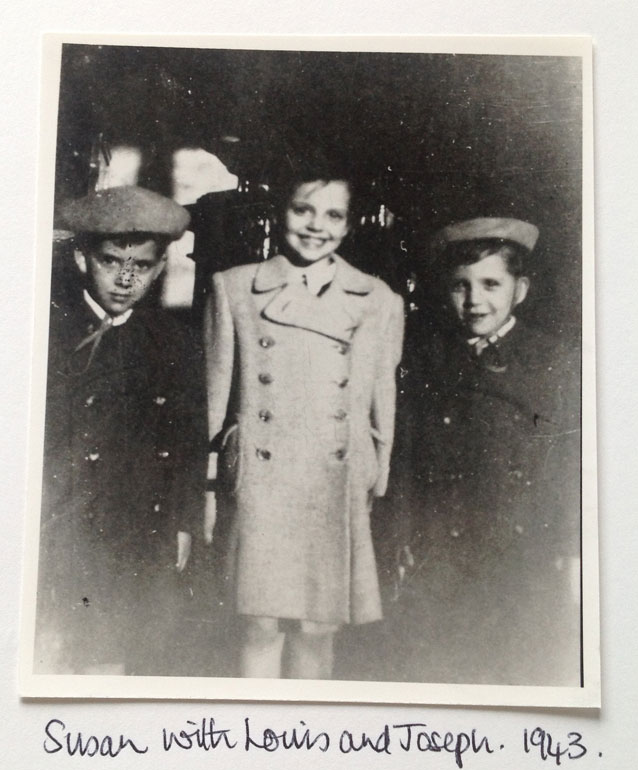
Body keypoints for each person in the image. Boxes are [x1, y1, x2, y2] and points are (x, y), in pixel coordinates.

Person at [203, 164, 404, 679]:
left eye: (333, 215)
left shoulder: (379, 300)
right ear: (280, 213)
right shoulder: (234, 288)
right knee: (259, 625)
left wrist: (376, 471)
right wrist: (209, 482)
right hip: (263, 479)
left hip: (335, 478)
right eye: (303, 210)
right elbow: (214, 396)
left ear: (350, 224)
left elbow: (382, 394)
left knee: (318, 629)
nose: (316, 226)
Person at [387, 217, 581, 686]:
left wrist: (571, 547)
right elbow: (406, 456)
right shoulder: (426, 359)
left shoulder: (553, 361)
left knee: (514, 671)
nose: (475, 300)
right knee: (437, 670)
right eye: (461, 285)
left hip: (521, 556)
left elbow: (570, 464)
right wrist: (402, 534)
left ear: (520, 290)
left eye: (491, 284)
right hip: (440, 553)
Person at [35, 185, 207, 675]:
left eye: (143, 266)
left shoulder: (173, 343)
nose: (127, 279)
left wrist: (183, 523)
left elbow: (188, 444)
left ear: (161, 267)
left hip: (136, 530)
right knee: (49, 653)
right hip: (61, 527)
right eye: (111, 261)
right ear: (81, 258)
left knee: (114, 658)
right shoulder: (48, 331)